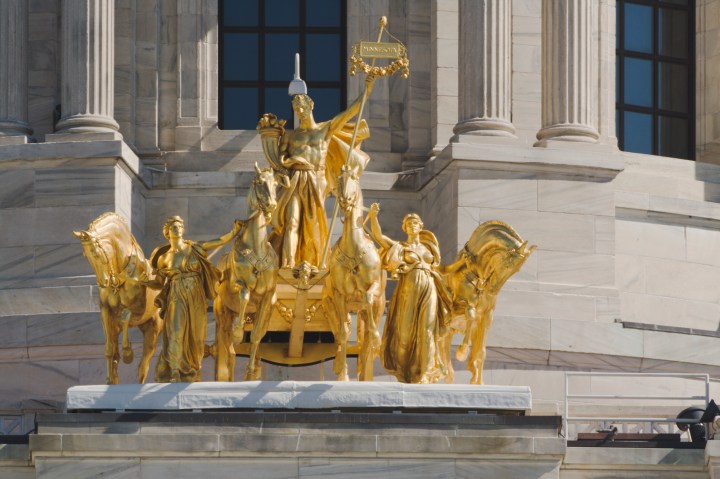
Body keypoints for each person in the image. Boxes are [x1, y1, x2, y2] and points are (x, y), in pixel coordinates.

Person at [258, 77, 375, 268]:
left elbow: (348, 114)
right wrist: (287, 165)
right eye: (296, 109)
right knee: (292, 221)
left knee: (313, 224)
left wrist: (366, 92)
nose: (299, 111)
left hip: (317, 180)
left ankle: (316, 260)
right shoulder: (290, 136)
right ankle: (288, 264)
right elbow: (279, 163)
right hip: (296, 179)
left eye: (302, 107)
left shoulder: (325, 130)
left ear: (311, 105)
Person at [146, 216, 241, 383]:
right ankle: (174, 371)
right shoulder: (163, 258)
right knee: (175, 332)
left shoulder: (195, 248)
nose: (177, 228)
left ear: (183, 230)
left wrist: (234, 231)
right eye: (173, 227)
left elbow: (218, 242)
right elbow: (158, 283)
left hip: (196, 296)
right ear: (167, 232)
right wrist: (140, 281)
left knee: (197, 337)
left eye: (179, 226)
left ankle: (193, 370)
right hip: (176, 295)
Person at [367, 204, 452, 383]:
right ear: (405, 228)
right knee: (404, 335)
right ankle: (403, 371)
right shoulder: (400, 247)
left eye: (415, 223)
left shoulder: (430, 250)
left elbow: (443, 269)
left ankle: (425, 372)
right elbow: (378, 237)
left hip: (429, 287)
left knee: (427, 330)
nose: (412, 225)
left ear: (421, 227)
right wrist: (373, 217)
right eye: (409, 223)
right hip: (408, 290)